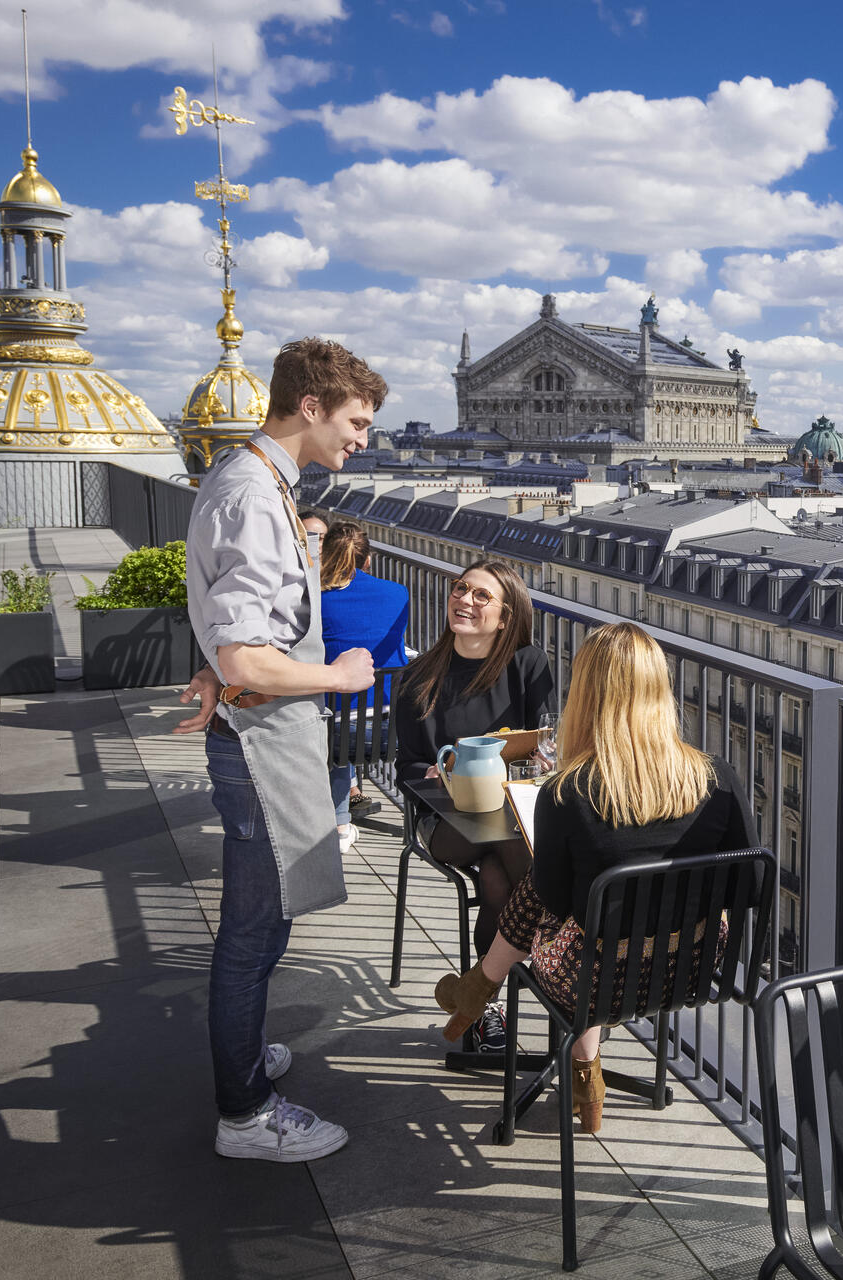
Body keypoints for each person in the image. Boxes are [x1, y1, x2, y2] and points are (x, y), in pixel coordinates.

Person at [183, 337, 385, 1163]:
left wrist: (212, 666)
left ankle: (244, 1057)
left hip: (257, 732)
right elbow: (246, 654)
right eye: (357, 420)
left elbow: (235, 624)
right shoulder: (254, 496)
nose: (364, 439)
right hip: (260, 744)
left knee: (262, 929)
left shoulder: (254, 480)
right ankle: (245, 1113)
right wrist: (336, 676)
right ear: (311, 407)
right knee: (252, 932)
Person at [433, 622, 756, 1131]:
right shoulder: (717, 777)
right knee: (581, 907)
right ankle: (577, 1065)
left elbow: (558, 902)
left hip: (592, 981)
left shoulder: (567, 792)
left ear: (584, 694)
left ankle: (480, 988)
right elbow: (747, 885)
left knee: (542, 894)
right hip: (694, 967)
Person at [393, 560, 556, 1024]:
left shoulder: (528, 665)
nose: (464, 600)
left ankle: (482, 1002)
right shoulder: (420, 674)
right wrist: (431, 771)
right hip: (444, 819)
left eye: (481, 596)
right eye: (461, 589)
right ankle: (564, 929)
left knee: (496, 880)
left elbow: (538, 744)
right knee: (501, 836)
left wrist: (539, 759)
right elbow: (406, 765)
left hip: (509, 813)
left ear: (506, 616)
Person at [318, 519, 409, 847]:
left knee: (332, 723)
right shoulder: (399, 593)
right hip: (393, 730)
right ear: (368, 560)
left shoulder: (315, 600)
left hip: (339, 735)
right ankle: (415, 825)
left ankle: (341, 825)